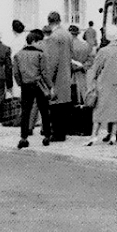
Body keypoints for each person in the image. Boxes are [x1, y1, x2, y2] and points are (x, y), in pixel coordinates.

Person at [86, 24, 117, 144]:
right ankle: (113, 136)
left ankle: (94, 135)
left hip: (104, 83)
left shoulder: (103, 51)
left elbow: (96, 68)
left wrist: (91, 82)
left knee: (99, 110)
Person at [12, 29, 52, 148]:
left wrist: (20, 83)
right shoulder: (40, 54)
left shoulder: (18, 54)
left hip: (26, 85)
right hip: (38, 84)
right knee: (44, 110)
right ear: (34, 41)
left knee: (25, 111)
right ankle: (46, 136)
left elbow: (16, 73)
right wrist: (50, 86)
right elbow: (44, 73)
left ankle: (24, 137)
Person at [41, 11, 74, 142]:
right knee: (64, 105)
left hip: (58, 76)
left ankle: (58, 134)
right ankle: (63, 132)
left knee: (55, 106)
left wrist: (49, 78)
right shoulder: (67, 34)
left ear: (49, 21)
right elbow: (71, 53)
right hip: (66, 72)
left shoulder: (54, 37)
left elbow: (52, 60)